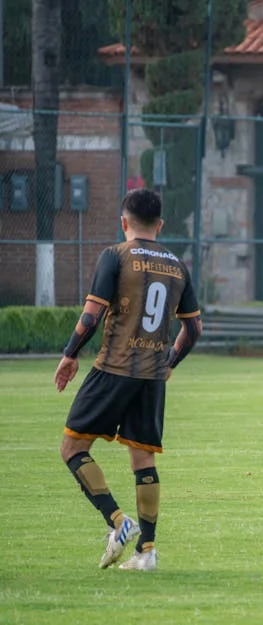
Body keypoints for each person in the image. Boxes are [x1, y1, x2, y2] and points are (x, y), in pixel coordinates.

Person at [54, 188, 203, 571]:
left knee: (72, 449)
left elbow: (91, 315)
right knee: (143, 459)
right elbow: (194, 328)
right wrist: (170, 361)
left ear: (124, 222)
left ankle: (119, 522)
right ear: (161, 224)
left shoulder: (115, 255)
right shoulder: (177, 265)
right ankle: (147, 552)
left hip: (114, 368)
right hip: (152, 376)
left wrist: (70, 353)